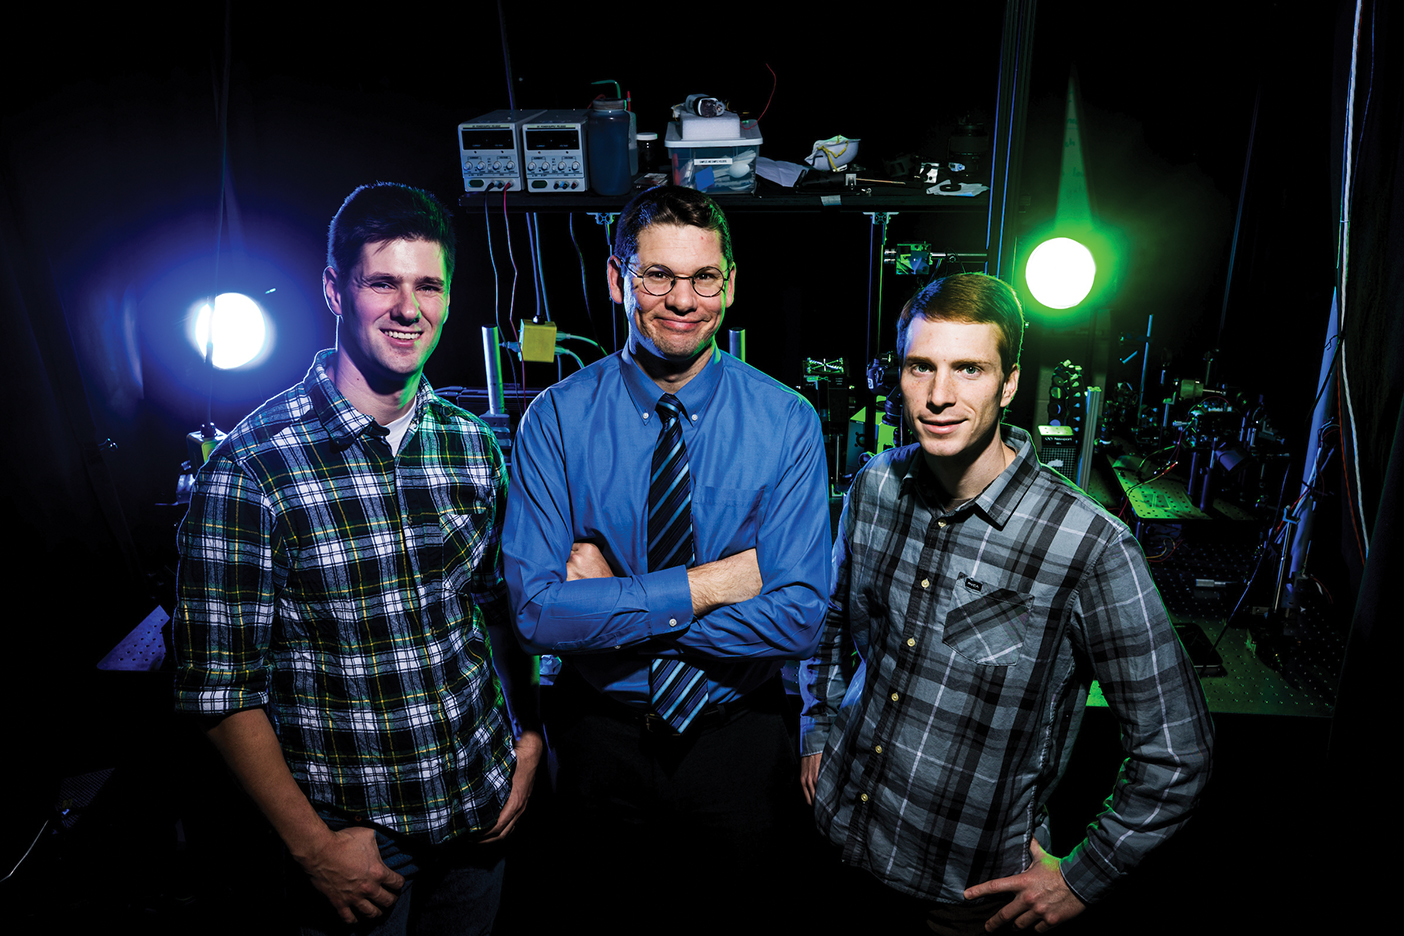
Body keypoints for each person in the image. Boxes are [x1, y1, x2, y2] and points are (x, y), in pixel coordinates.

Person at [173, 182, 542, 935]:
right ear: (335, 289)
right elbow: (217, 690)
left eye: (428, 285)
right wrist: (312, 848)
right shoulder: (253, 467)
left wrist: (530, 740)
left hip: (478, 817)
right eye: (384, 282)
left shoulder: (472, 445)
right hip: (359, 844)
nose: (410, 309)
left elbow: (498, 615)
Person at [800, 273, 1213, 934]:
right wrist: (818, 723)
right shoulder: (876, 486)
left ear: (1010, 383)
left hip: (962, 900)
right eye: (920, 366)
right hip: (838, 843)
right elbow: (833, 622)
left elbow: (1177, 751)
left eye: (969, 369)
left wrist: (1082, 876)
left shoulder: (1087, 544)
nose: (939, 395)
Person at [502, 185, 831, 927]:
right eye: (657, 276)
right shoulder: (554, 420)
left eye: (703, 278)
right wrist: (714, 583)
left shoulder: (786, 423)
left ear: (730, 283)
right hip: (597, 746)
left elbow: (803, 618)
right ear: (618, 279)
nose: (682, 299)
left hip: (740, 745)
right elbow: (533, 614)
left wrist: (616, 602)